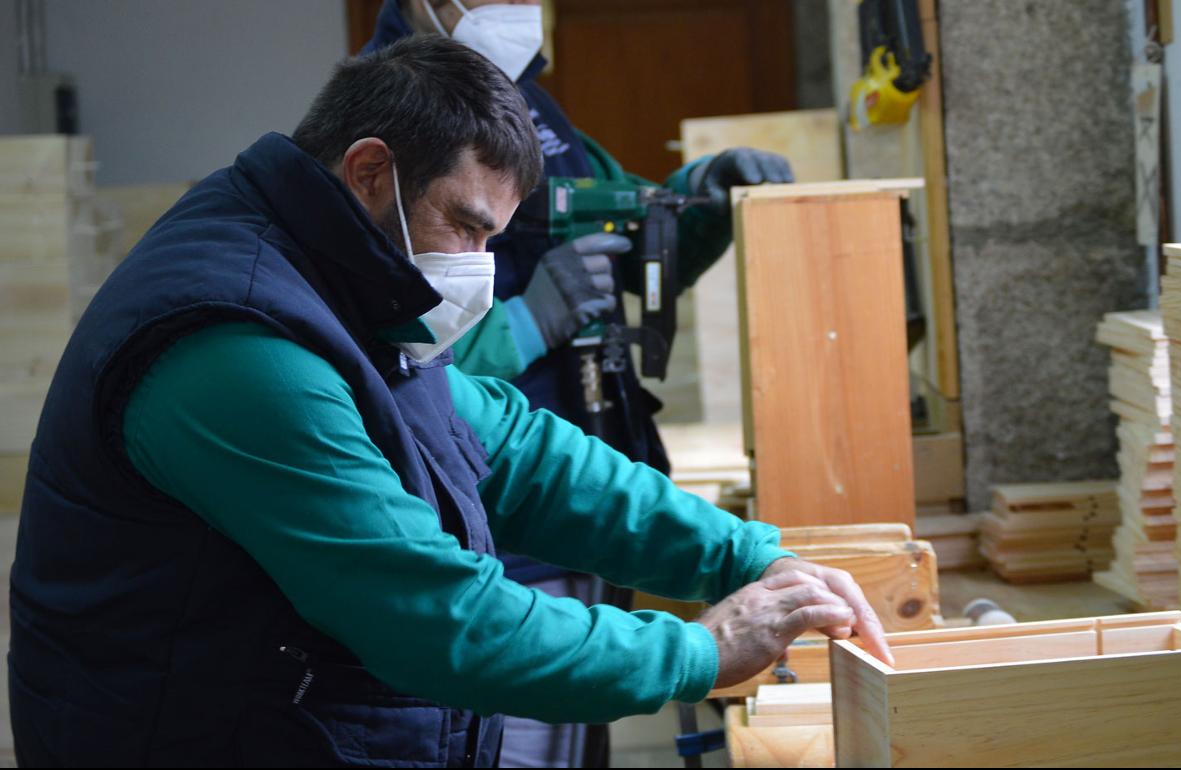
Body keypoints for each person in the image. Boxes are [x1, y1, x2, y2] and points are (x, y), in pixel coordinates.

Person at [7, 37, 891, 768]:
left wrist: (742, 556)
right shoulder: (238, 351)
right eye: (465, 226)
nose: (479, 263)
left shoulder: (343, 281)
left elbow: (515, 450)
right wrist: (700, 651)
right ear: (368, 172)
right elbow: (433, 616)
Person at [363, 4, 795, 763]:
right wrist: (527, 325)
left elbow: (627, 228)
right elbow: (375, 365)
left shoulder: (532, 106)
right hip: (489, 524)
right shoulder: (383, 117)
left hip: (576, 504)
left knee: (575, 738)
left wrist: (701, 196)